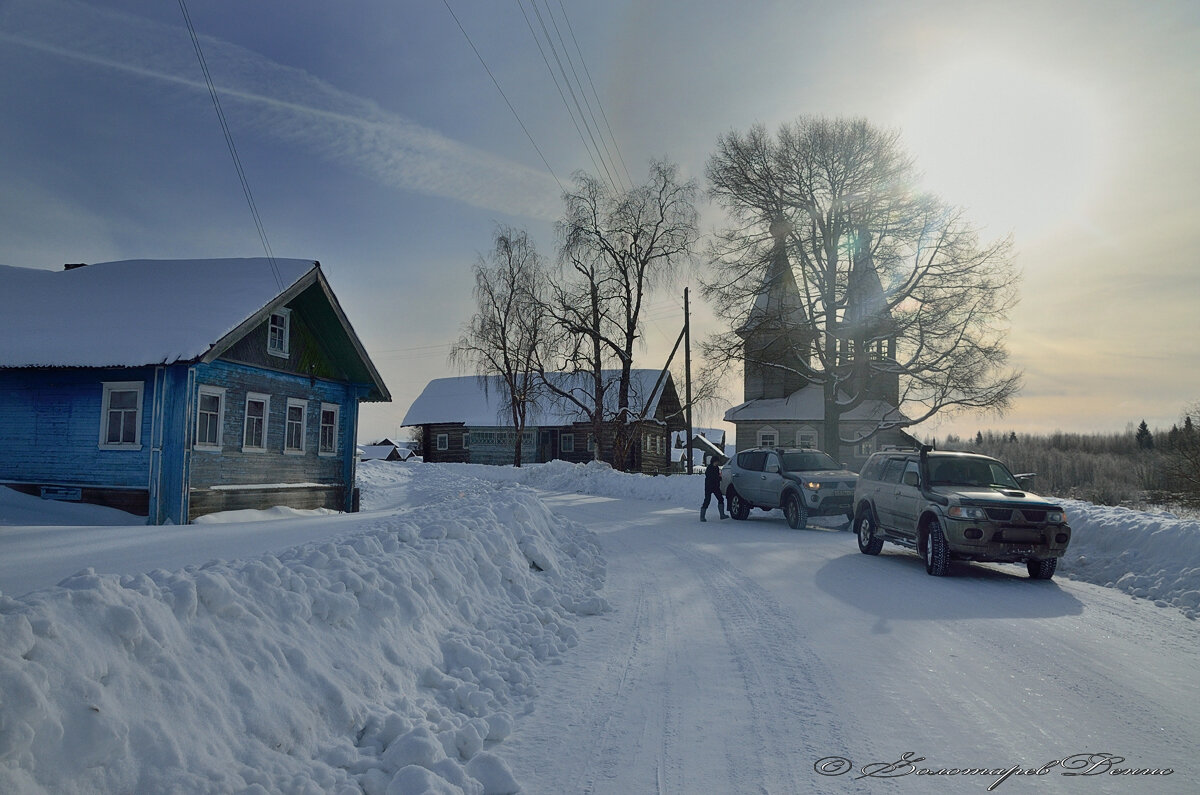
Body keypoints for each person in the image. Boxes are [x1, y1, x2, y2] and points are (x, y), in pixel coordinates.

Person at [700, 456, 726, 521]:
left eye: (717, 462)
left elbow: (717, 476)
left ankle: (722, 515)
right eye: (716, 461)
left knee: (720, 499)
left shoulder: (717, 468)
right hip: (709, 487)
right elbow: (711, 477)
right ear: (713, 461)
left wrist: (719, 478)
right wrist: (718, 478)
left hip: (715, 487)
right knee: (707, 501)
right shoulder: (709, 468)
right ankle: (702, 517)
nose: (717, 463)